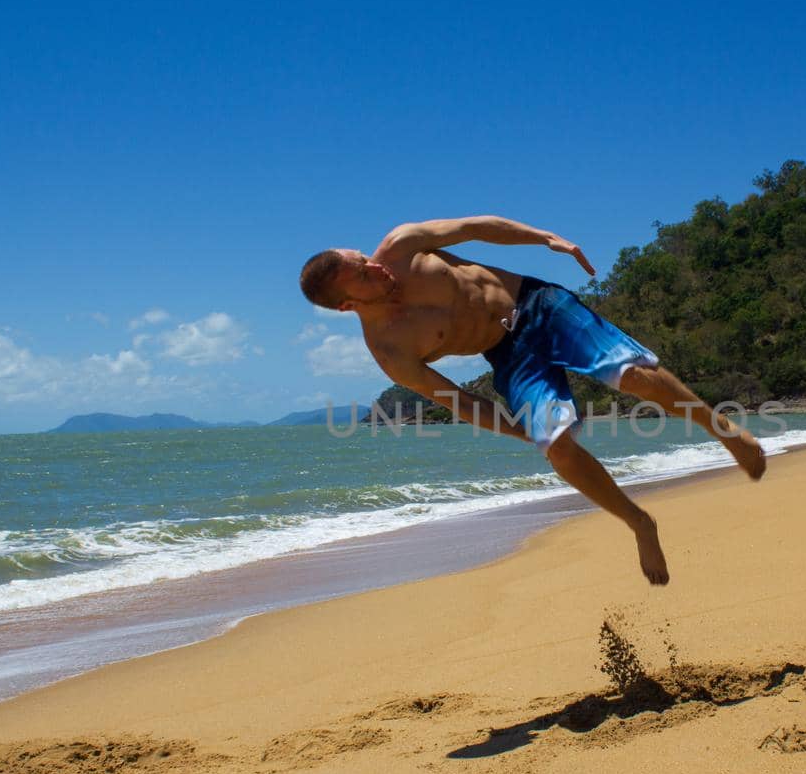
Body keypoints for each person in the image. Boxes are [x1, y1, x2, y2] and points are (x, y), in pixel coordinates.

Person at [298, 215, 765, 584]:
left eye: (365, 257)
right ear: (346, 305)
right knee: (555, 444)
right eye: (362, 273)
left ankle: (724, 433)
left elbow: (477, 226)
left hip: (537, 303)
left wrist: (545, 238)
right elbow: (457, 400)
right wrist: (520, 431)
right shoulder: (389, 348)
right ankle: (639, 522)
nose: (375, 265)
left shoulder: (402, 244)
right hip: (508, 352)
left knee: (633, 375)